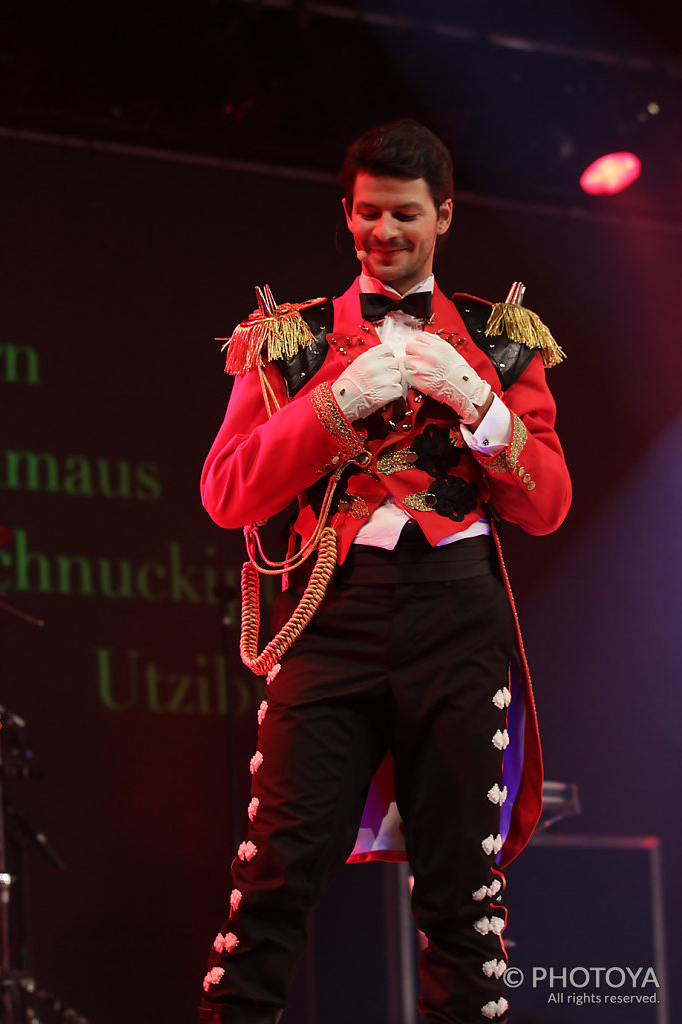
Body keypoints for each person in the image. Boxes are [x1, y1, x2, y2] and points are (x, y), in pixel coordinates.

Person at [199, 119, 571, 1024]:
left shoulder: (501, 336)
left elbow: (547, 504)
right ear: (348, 213)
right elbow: (227, 493)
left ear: (442, 215)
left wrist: (477, 402)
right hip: (333, 617)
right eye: (367, 215)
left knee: (461, 899)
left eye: (404, 215)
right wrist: (333, 405)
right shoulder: (287, 341)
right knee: (276, 876)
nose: (384, 234)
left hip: (457, 617)